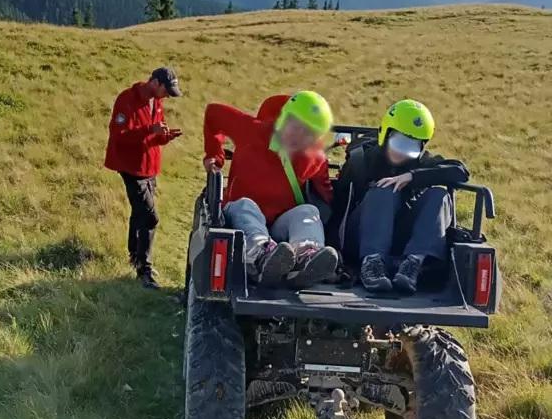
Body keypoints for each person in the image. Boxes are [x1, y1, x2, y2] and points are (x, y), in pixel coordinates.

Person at [331, 99, 469, 294]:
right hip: (359, 238)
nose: (402, 151)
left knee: (439, 194)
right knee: (385, 189)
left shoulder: (422, 163)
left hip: (401, 241)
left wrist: (412, 177)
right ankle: (371, 264)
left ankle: (413, 263)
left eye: (412, 145)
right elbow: (338, 205)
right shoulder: (360, 160)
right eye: (399, 141)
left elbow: (460, 170)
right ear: (386, 134)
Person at [203, 91, 339, 288]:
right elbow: (213, 113)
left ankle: (306, 257)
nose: (300, 137)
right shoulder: (251, 130)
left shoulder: (315, 158)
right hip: (238, 219)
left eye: (309, 133)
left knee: (309, 211)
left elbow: (326, 193)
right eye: (296, 126)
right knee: (246, 205)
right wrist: (215, 154)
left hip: (278, 230)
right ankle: (261, 256)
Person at [105, 67, 182, 289]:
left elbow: (151, 138)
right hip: (131, 167)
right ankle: (144, 270)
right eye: (166, 91)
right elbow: (119, 137)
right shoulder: (127, 100)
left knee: (139, 213)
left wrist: (164, 137)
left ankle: (134, 255)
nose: (167, 96)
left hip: (150, 167)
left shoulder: (156, 103)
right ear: (155, 83)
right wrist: (150, 129)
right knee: (150, 218)